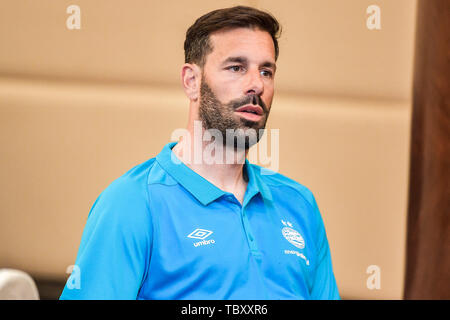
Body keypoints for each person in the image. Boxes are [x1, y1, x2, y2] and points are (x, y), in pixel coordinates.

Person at [60, 5, 340, 300]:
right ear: (191, 81)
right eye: (236, 67)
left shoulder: (299, 203)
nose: (256, 84)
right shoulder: (132, 203)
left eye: (266, 71)